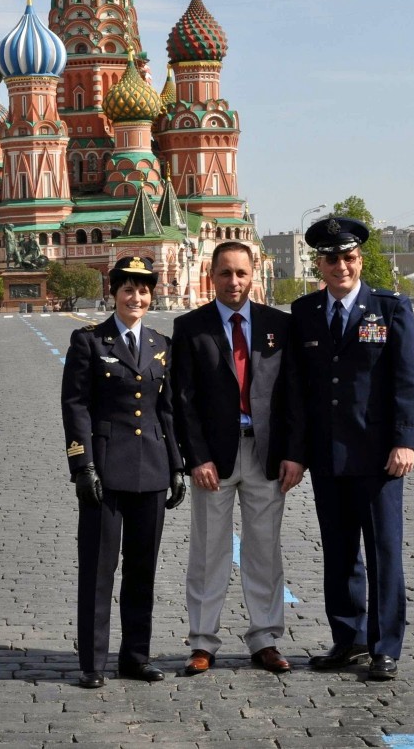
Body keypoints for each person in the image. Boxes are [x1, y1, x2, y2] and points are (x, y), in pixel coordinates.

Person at [288, 216, 414, 681]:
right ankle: (348, 639)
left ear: (360, 260)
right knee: (339, 552)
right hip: (328, 455)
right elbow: (301, 389)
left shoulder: (388, 308)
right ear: (319, 264)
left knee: (384, 552)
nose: (340, 266)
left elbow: (409, 378)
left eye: (348, 257)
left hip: (378, 456)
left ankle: (385, 645)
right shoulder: (304, 312)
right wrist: (299, 450)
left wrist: (405, 442)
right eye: (331, 259)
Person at [171, 241, 305, 676]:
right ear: (212, 276)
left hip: (266, 456)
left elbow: (293, 398)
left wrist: (294, 454)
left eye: (241, 273)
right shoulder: (190, 327)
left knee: (264, 551)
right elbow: (184, 400)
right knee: (208, 552)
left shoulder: (278, 326)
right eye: (226, 273)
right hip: (214, 460)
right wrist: (197, 458)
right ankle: (203, 642)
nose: (234, 281)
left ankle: (265, 640)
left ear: (253, 276)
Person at [61, 255, 186, 688]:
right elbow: (75, 406)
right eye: (128, 289)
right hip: (106, 471)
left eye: (144, 289)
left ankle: (135, 656)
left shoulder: (160, 345)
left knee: (142, 571)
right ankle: (93, 662)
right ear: (113, 293)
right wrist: (82, 465)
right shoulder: (90, 342)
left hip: (151, 470)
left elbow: (166, 411)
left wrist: (176, 465)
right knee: (98, 570)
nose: (137, 297)